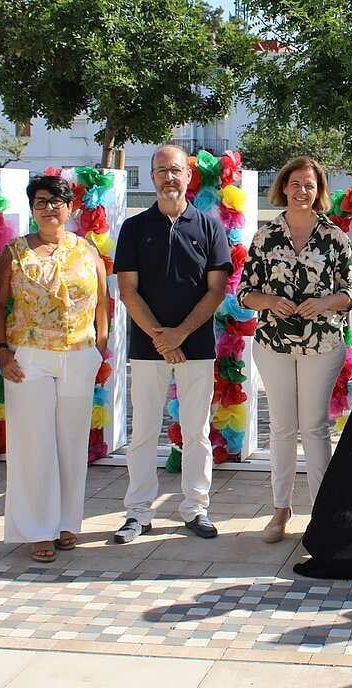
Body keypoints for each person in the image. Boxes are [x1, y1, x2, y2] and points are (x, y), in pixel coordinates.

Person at [112, 145, 231, 543]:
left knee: (196, 431)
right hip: (148, 348)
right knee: (144, 431)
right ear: (151, 176)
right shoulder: (134, 228)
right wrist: (161, 339)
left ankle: (196, 508)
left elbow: (216, 291)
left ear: (188, 176)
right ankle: (137, 513)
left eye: (175, 170)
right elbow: (128, 291)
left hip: (195, 345)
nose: (169, 177)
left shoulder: (210, 228)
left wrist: (180, 333)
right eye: (161, 170)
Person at [238, 156, 352, 543]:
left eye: (309, 185)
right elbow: (244, 292)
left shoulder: (335, 237)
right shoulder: (264, 236)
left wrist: (325, 303)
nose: (301, 191)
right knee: (283, 428)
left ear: (318, 190)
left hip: (322, 345)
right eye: (295, 184)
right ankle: (280, 509)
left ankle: (322, 513)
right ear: (283, 188)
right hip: (273, 345)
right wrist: (270, 302)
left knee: (315, 428)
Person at [0, 175, 108, 563]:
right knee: (33, 444)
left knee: (71, 442)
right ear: (32, 208)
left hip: (78, 354)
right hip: (29, 357)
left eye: (57, 201)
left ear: (70, 207)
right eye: (40, 202)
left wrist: (100, 346)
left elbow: (104, 303)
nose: (49, 208)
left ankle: (66, 522)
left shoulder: (87, 250)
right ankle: (37, 528)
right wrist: (2, 350)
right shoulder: (15, 251)